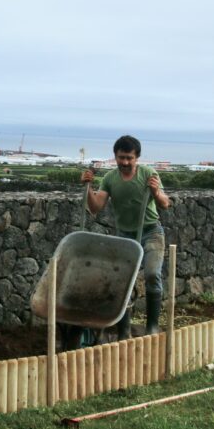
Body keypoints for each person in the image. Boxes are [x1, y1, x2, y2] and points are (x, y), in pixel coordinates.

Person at [78, 135, 171, 343]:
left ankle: (152, 327)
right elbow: (95, 207)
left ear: (137, 157)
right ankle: (124, 331)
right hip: (125, 235)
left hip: (151, 231)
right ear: (116, 157)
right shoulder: (110, 178)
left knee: (152, 275)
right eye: (121, 158)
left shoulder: (148, 174)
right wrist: (88, 188)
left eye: (129, 158)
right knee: (123, 282)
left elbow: (165, 203)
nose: (125, 162)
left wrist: (156, 191)